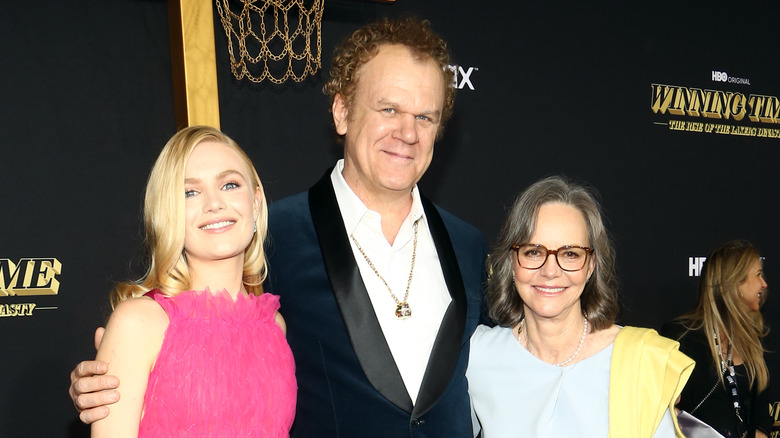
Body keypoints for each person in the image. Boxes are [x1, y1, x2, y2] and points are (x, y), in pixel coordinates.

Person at [71, 17, 486, 436]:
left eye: (425, 117)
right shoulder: (268, 236)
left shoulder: (468, 246)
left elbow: (520, 351)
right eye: (389, 109)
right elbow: (183, 345)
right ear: (342, 112)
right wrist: (111, 381)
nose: (408, 133)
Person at [90, 126, 296, 436]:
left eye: (229, 184)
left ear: (255, 202)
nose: (214, 203)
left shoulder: (272, 325)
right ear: (168, 212)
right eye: (190, 191)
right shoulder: (141, 324)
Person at [467, 176, 694, 437]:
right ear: (512, 262)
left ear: (591, 266)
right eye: (533, 252)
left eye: (570, 254)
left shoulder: (641, 361)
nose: (550, 271)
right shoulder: (478, 355)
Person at [661, 240, 772, 438]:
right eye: (758, 275)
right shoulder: (681, 337)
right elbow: (662, 409)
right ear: (736, 283)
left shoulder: (752, 337)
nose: (764, 284)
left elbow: (760, 415)